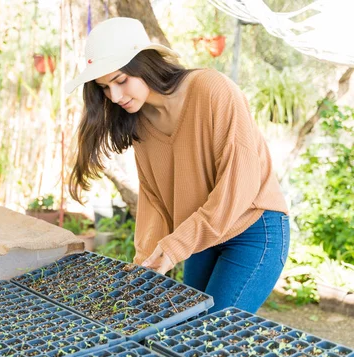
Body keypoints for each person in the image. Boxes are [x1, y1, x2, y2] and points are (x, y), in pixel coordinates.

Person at [65, 17, 290, 313]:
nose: (115, 96)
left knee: (212, 334)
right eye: (105, 87)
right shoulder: (141, 122)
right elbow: (155, 198)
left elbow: (240, 182)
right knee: (185, 326)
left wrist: (177, 244)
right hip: (202, 234)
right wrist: (145, 260)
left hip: (252, 227)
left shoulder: (212, 90)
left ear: (145, 64)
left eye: (121, 80)